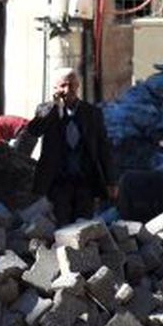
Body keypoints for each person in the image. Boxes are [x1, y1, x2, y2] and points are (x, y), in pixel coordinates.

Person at [26, 67, 116, 225]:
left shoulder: (91, 113)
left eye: (72, 85)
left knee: (84, 226)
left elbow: (103, 147)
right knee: (62, 224)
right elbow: (34, 130)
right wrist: (54, 106)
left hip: (85, 180)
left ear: (78, 86)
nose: (68, 90)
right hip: (58, 181)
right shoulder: (47, 110)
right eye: (63, 86)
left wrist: (111, 181)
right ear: (55, 88)